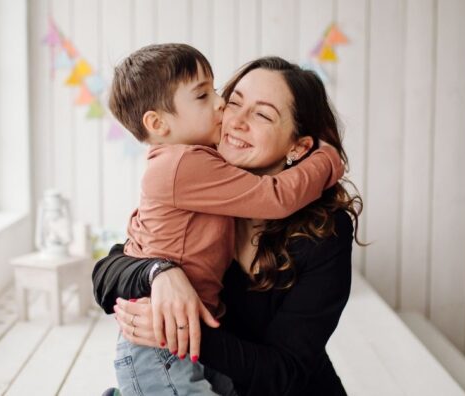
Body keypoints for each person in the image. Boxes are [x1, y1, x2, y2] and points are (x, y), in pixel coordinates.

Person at [94, 56, 363, 395]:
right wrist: (159, 273)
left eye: (262, 114)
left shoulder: (326, 232)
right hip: (202, 373)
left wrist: (181, 329)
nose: (235, 119)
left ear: (298, 146)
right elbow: (108, 271)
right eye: (234, 102)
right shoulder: (200, 182)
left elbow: (286, 370)